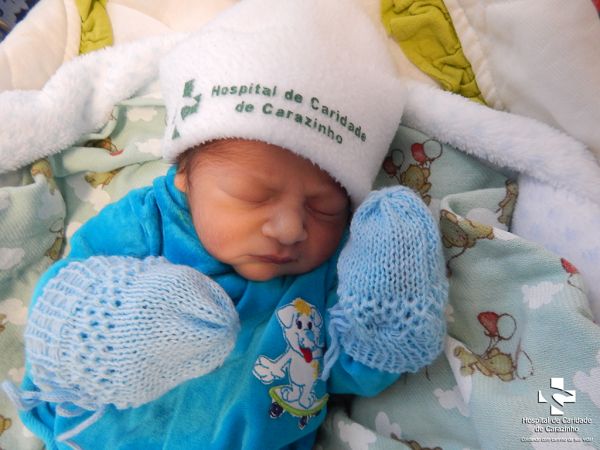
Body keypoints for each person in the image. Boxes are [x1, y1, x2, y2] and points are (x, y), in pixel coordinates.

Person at [3, 0, 448, 449]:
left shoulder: (325, 271)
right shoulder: (150, 222)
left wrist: (388, 315)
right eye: (254, 195)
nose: (290, 228)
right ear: (184, 175)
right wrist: (129, 322)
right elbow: (59, 310)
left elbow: (349, 373)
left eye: (325, 208)